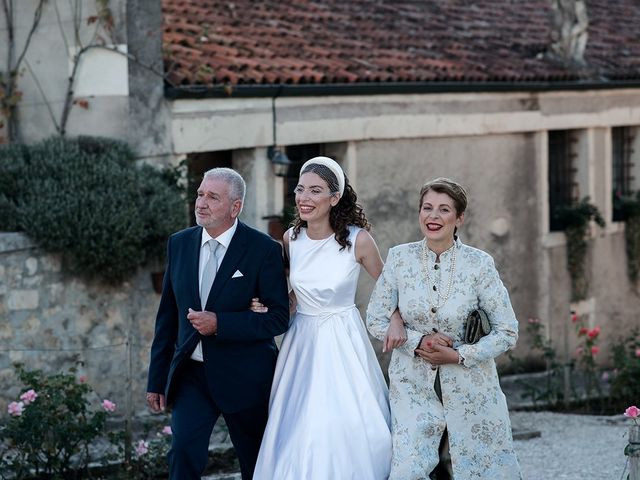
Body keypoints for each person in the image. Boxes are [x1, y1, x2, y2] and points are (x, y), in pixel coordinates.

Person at [251, 156, 407, 479]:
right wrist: (268, 308)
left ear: (334, 198)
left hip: (342, 337)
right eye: (300, 189)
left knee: (344, 417)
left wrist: (396, 318)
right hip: (301, 341)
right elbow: (292, 296)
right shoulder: (290, 240)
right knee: (299, 418)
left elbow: (389, 286)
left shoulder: (357, 240)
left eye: (315, 191)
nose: (304, 198)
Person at [366, 177, 522, 480]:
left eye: (443, 210)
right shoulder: (399, 258)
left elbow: (507, 331)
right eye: (427, 208)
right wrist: (418, 340)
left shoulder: (479, 264)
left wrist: (458, 356)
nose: (433, 217)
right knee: (407, 471)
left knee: (482, 469)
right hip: (412, 386)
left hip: (472, 387)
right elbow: (375, 318)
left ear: (459, 218)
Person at [146, 167, 290, 480]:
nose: (201, 202)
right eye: (200, 194)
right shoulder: (179, 243)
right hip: (192, 377)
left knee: (256, 462)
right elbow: (167, 317)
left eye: (213, 197)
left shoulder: (263, 250)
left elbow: (279, 318)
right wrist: (157, 379)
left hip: (247, 376)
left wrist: (220, 323)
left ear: (235, 207)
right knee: (182, 451)